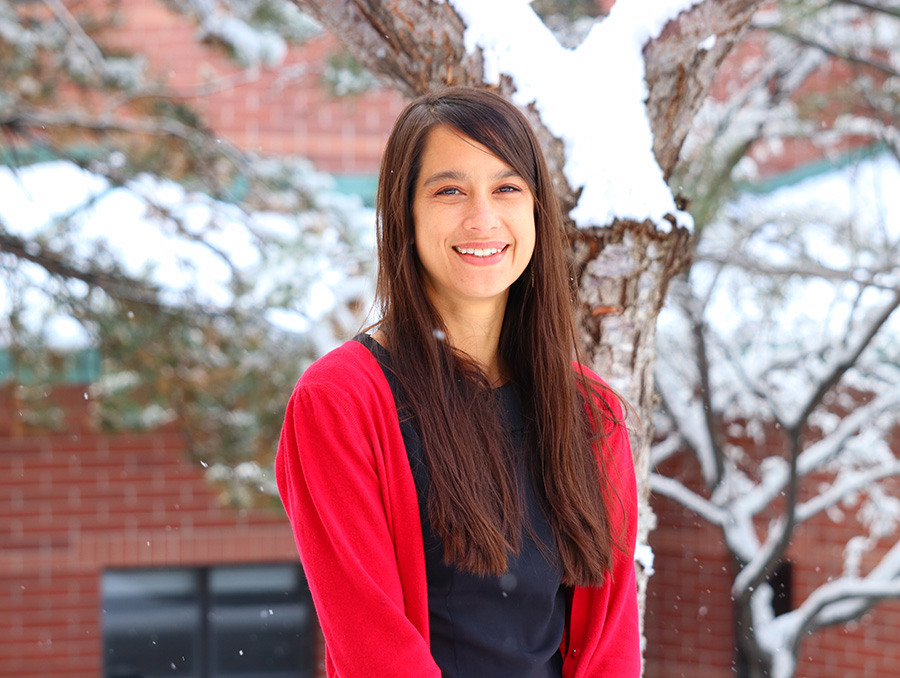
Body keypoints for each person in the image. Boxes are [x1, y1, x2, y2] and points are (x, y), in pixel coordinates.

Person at [275, 86, 640, 677]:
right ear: (406, 215)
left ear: (536, 213)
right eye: (450, 190)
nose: (482, 218)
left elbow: (610, 644)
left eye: (506, 188)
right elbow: (374, 648)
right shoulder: (340, 403)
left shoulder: (590, 412)